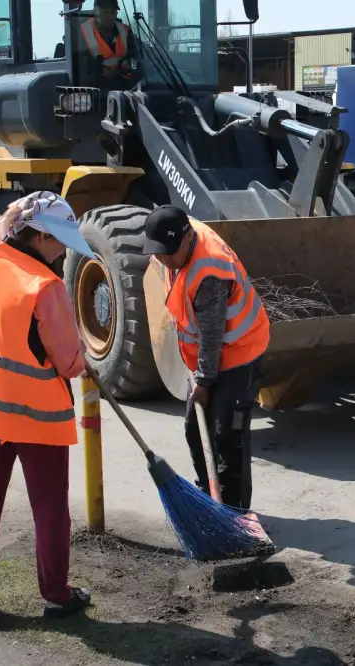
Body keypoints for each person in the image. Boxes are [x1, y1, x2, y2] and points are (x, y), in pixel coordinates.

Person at [0, 191, 98, 627]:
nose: (64, 249)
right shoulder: (44, 286)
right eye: (60, 241)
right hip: (36, 417)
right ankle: (56, 595)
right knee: (50, 507)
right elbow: (68, 363)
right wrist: (83, 353)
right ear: (39, 237)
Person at [141, 205, 270, 510]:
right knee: (194, 429)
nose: (164, 259)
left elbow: (212, 336)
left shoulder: (210, 271)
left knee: (229, 435)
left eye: (168, 253)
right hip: (208, 357)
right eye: (158, 252)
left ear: (188, 237)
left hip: (240, 352)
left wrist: (204, 381)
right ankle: (210, 498)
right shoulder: (178, 242)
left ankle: (234, 513)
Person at [79, 0, 140, 87]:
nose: (110, 16)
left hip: (125, 87)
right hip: (94, 91)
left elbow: (141, 52)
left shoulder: (126, 31)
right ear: (95, 12)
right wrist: (98, 72)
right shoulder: (82, 32)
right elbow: (79, 66)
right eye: (105, 12)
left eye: (113, 12)